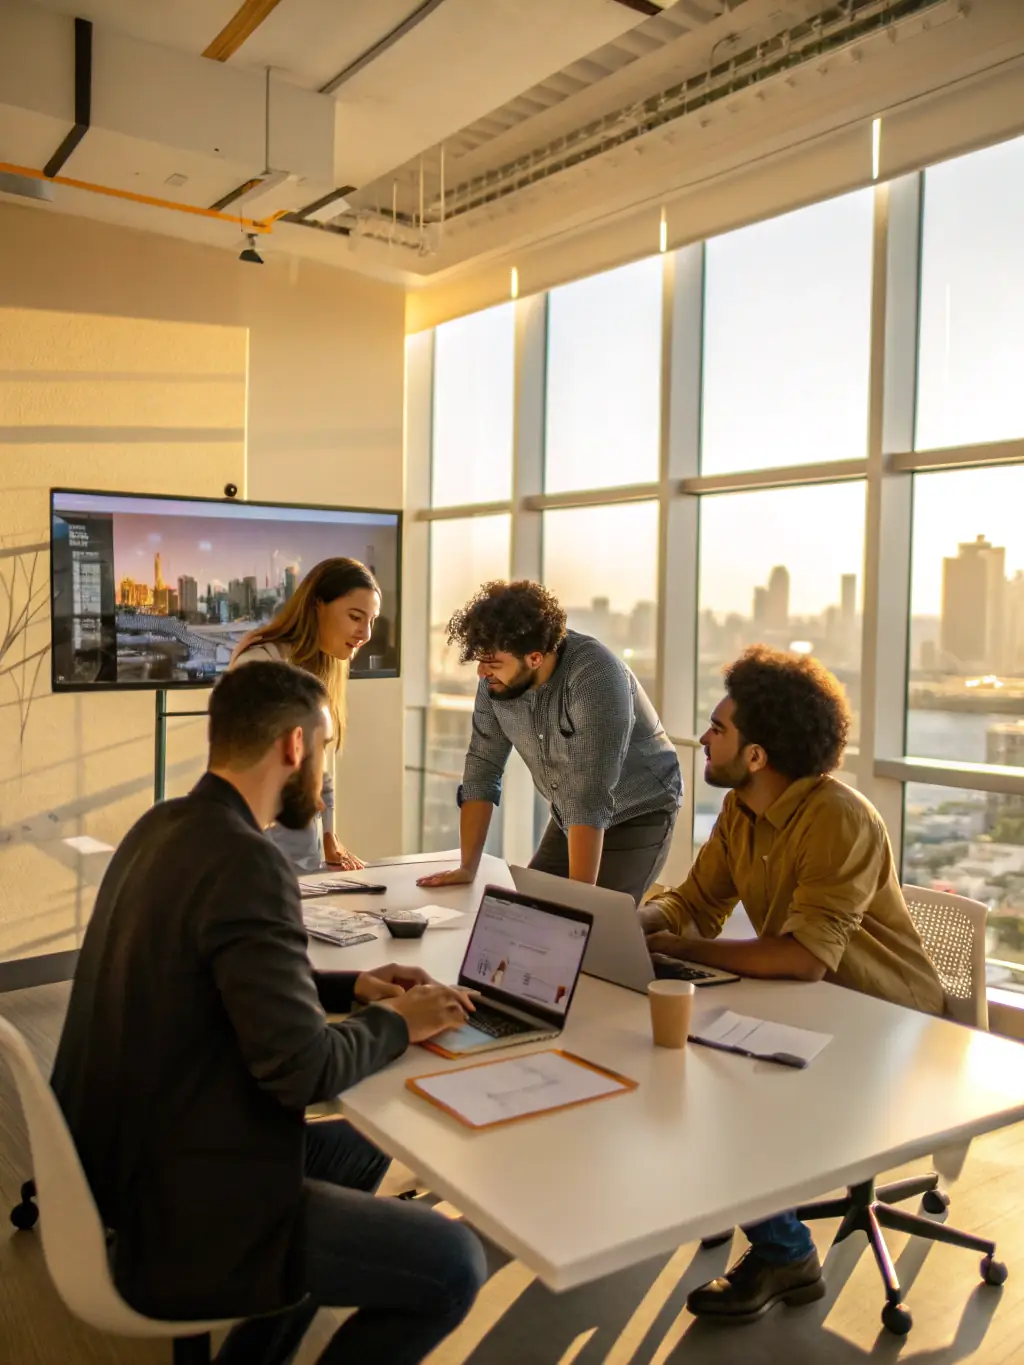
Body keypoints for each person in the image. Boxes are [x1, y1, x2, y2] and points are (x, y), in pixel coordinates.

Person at [50, 661, 487, 1365]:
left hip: (117, 1159)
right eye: (325, 746)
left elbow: (214, 973)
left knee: (364, 1144)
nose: (322, 768)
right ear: (293, 745)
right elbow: (302, 1071)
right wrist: (406, 1020)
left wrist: (357, 988)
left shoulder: (161, 828)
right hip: (182, 1202)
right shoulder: (248, 862)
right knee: (454, 1263)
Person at [640, 645, 944, 1326]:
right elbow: (695, 900)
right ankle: (749, 1201)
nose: (705, 736)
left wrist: (677, 946)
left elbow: (807, 956)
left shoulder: (838, 816)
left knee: (716, 1082)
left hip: (886, 1024)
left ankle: (784, 1251)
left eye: (718, 727)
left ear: (755, 755)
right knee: (678, 1059)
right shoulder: (742, 812)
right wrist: (641, 922)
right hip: (810, 1003)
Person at [418, 580, 682, 906]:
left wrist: (578, 911)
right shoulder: (496, 684)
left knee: (598, 924)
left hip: (639, 809)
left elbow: (590, 797)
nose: (481, 673)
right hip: (570, 810)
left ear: (534, 657)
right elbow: (482, 767)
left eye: (493, 663)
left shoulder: (596, 678)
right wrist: (467, 868)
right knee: (524, 914)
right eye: (480, 660)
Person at [232, 557, 379, 872]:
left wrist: (329, 834)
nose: (366, 633)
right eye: (355, 616)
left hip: (297, 848)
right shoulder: (260, 664)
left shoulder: (327, 664)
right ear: (317, 605)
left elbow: (321, 762)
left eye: (372, 620)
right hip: (257, 850)